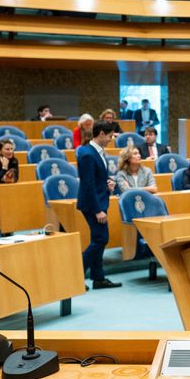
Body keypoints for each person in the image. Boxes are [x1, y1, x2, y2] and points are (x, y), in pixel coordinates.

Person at [78, 121, 121, 290]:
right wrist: (97, 210)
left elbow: (97, 177)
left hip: (99, 200)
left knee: (98, 239)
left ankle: (98, 278)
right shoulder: (88, 153)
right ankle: (74, 274)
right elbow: (87, 184)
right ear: (101, 133)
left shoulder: (97, 151)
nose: (111, 139)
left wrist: (108, 182)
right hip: (93, 204)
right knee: (101, 239)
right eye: (110, 136)